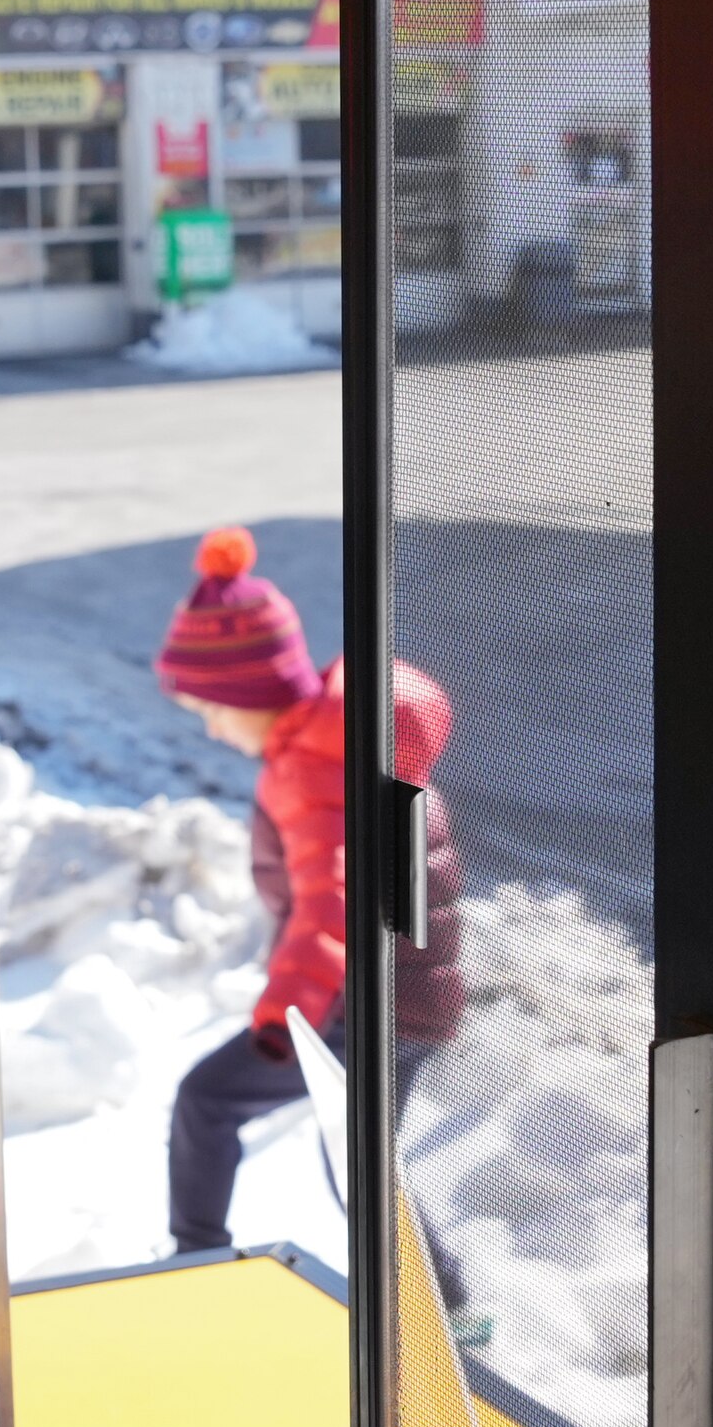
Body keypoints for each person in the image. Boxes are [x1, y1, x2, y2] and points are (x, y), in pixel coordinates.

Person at [152, 525, 462, 1257]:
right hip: (385, 990)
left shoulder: (315, 766)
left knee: (219, 1106)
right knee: (362, 1171)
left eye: (213, 711)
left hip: (366, 1000)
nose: (215, 732)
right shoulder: (328, 740)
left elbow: (330, 902)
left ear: (250, 692)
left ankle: (195, 1264)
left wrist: (281, 1013)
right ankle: (446, 1310)